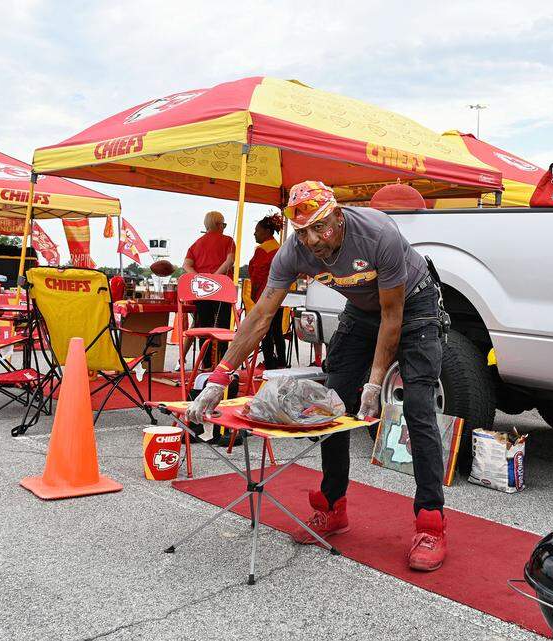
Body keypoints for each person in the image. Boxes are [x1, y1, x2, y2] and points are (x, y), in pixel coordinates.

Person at [186, 181, 448, 571]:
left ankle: (431, 522)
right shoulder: (293, 251)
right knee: (332, 405)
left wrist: (375, 384)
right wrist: (220, 376)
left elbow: (393, 318)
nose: (313, 240)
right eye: (303, 231)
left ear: (338, 217)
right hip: (362, 310)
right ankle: (333, 506)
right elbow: (261, 316)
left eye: (320, 228)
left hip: (413, 304)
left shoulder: (379, 235)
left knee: (418, 409)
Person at [180, 211, 235, 368]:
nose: (224, 228)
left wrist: (201, 279)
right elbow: (230, 261)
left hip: (201, 291)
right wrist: (215, 279)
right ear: (218, 225)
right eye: (223, 225)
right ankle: (221, 366)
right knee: (222, 329)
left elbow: (186, 265)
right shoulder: (228, 241)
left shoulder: (196, 243)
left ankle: (205, 365)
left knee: (203, 329)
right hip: (222, 290)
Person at [243, 214, 287, 370]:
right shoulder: (280, 248)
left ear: (267, 231)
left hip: (265, 295)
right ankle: (282, 362)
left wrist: (254, 295)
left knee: (265, 330)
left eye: (257, 230)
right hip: (280, 295)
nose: (254, 233)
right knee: (277, 331)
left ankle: (269, 363)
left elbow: (257, 274)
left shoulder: (263, 250)